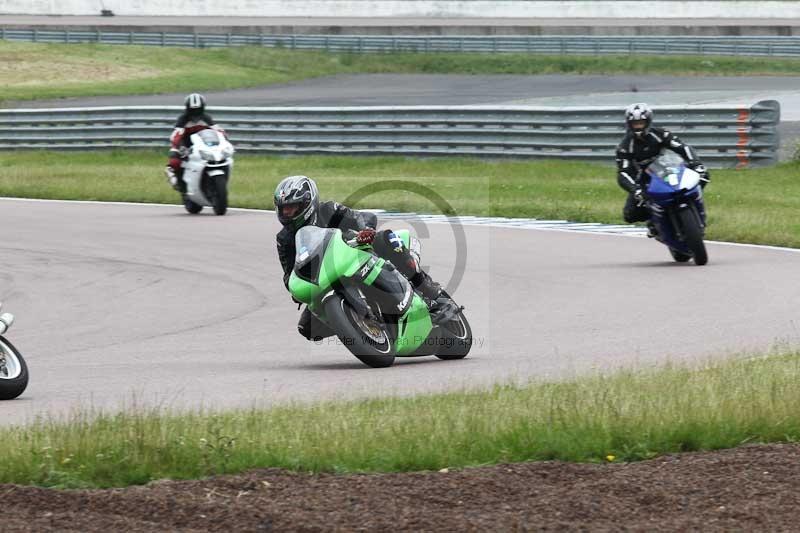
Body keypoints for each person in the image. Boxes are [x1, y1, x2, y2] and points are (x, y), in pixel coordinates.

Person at [274, 175, 444, 341]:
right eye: (283, 209)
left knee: (386, 238)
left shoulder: (328, 209)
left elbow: (363, 218)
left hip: (357, 252)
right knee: (307, 328)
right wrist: (296, 289)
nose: (287, 213)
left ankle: (427, 286)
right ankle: (356, 325)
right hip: (326, 277)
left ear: (306, 203)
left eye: (292, 207)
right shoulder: (284, 239)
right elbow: (289, 273)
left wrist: (366, 231)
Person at [616, 103, 710, 235]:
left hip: (669, 169)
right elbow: (623, 173)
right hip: (645, 179)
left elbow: (683, 148)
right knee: (630, 215)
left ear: (648, 121)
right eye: (635, 123)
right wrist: (636, 190)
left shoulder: (661, 134)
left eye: (641, 123)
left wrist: (695, 164)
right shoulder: (625, 146)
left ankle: (696, 207)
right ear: (629, 124)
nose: (638, 126)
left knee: (704, 176)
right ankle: (654, 222)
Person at [164, 93, 227, 192]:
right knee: (175, 161)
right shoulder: (183, 119)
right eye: (192, 111)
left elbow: (217, 130)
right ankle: (172, 174)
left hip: (203, 146)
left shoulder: (206, 118)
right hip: (185, 146)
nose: (195, 114)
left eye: (198, 110)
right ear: (187, 109)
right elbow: (176, 135)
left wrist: (224, 139)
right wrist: (180, 146)